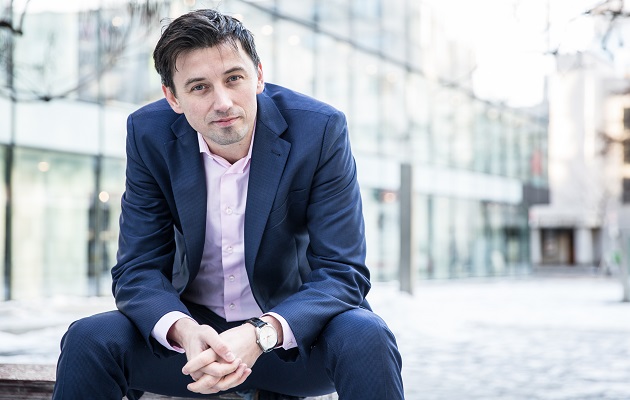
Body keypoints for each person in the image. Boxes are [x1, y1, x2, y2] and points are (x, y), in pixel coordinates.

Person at [53, 8, 403, 400]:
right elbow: (137, 269)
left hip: (291, 337)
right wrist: (183, 331)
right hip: (193, 346)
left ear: (258, 76)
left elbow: (342, 271)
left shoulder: (319, 130)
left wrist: (261, 333)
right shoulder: (149, 134)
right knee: (89, 338)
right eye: (199, 87)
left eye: (234, 78)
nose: (222, 102)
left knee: (367, 335)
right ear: (173, 97)